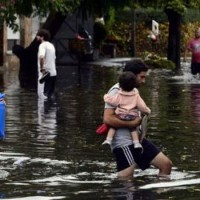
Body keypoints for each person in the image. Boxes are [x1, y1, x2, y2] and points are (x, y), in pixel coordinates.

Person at [103, 59, 172, 178]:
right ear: (132, 75)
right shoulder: (116, 90)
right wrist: (132, 124)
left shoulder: (133, 90)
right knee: (126, 178)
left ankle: (158, 194)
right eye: (142, 77)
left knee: (166, 164)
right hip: (123, 142)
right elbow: (107, 119)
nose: (144, 81)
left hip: (137, 140)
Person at [102, 71, 151, 151]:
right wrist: (147, 111)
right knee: (133, 129)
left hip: (121, 115)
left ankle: (108, 139)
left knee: (113, 127)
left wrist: (106, 97)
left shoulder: (119, 94)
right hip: (132, 116)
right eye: (141, 77)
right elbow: (142, 106)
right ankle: (136, 143)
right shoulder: (136, 95)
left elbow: (112, 101)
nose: (143, 81)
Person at [36, 29, 57, 99]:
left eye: (38, 36)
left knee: (42, 96)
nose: (36, 37)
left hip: (45, 75)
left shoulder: (42, 45)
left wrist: (42, 69)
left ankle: (43, 110)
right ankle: (51, 110)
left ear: (42, 37)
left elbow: (41, 57)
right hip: (53, 74)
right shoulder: (51, 45)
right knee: (50, 97)